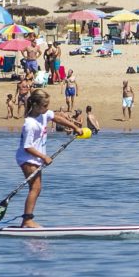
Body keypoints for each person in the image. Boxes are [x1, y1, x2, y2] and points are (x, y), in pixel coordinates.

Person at [16, 89, 85, 228]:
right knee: (35, 188)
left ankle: (27, 220)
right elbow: (27, 147)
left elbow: (56, 117)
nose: (47, 109)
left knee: (36, 188)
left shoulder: (44, 114)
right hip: (27, 158)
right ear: (35, 105)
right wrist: (44, 157)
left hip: (35, 158)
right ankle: (27, 221)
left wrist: (74, 126)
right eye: (44, 106)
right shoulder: (30, 124)